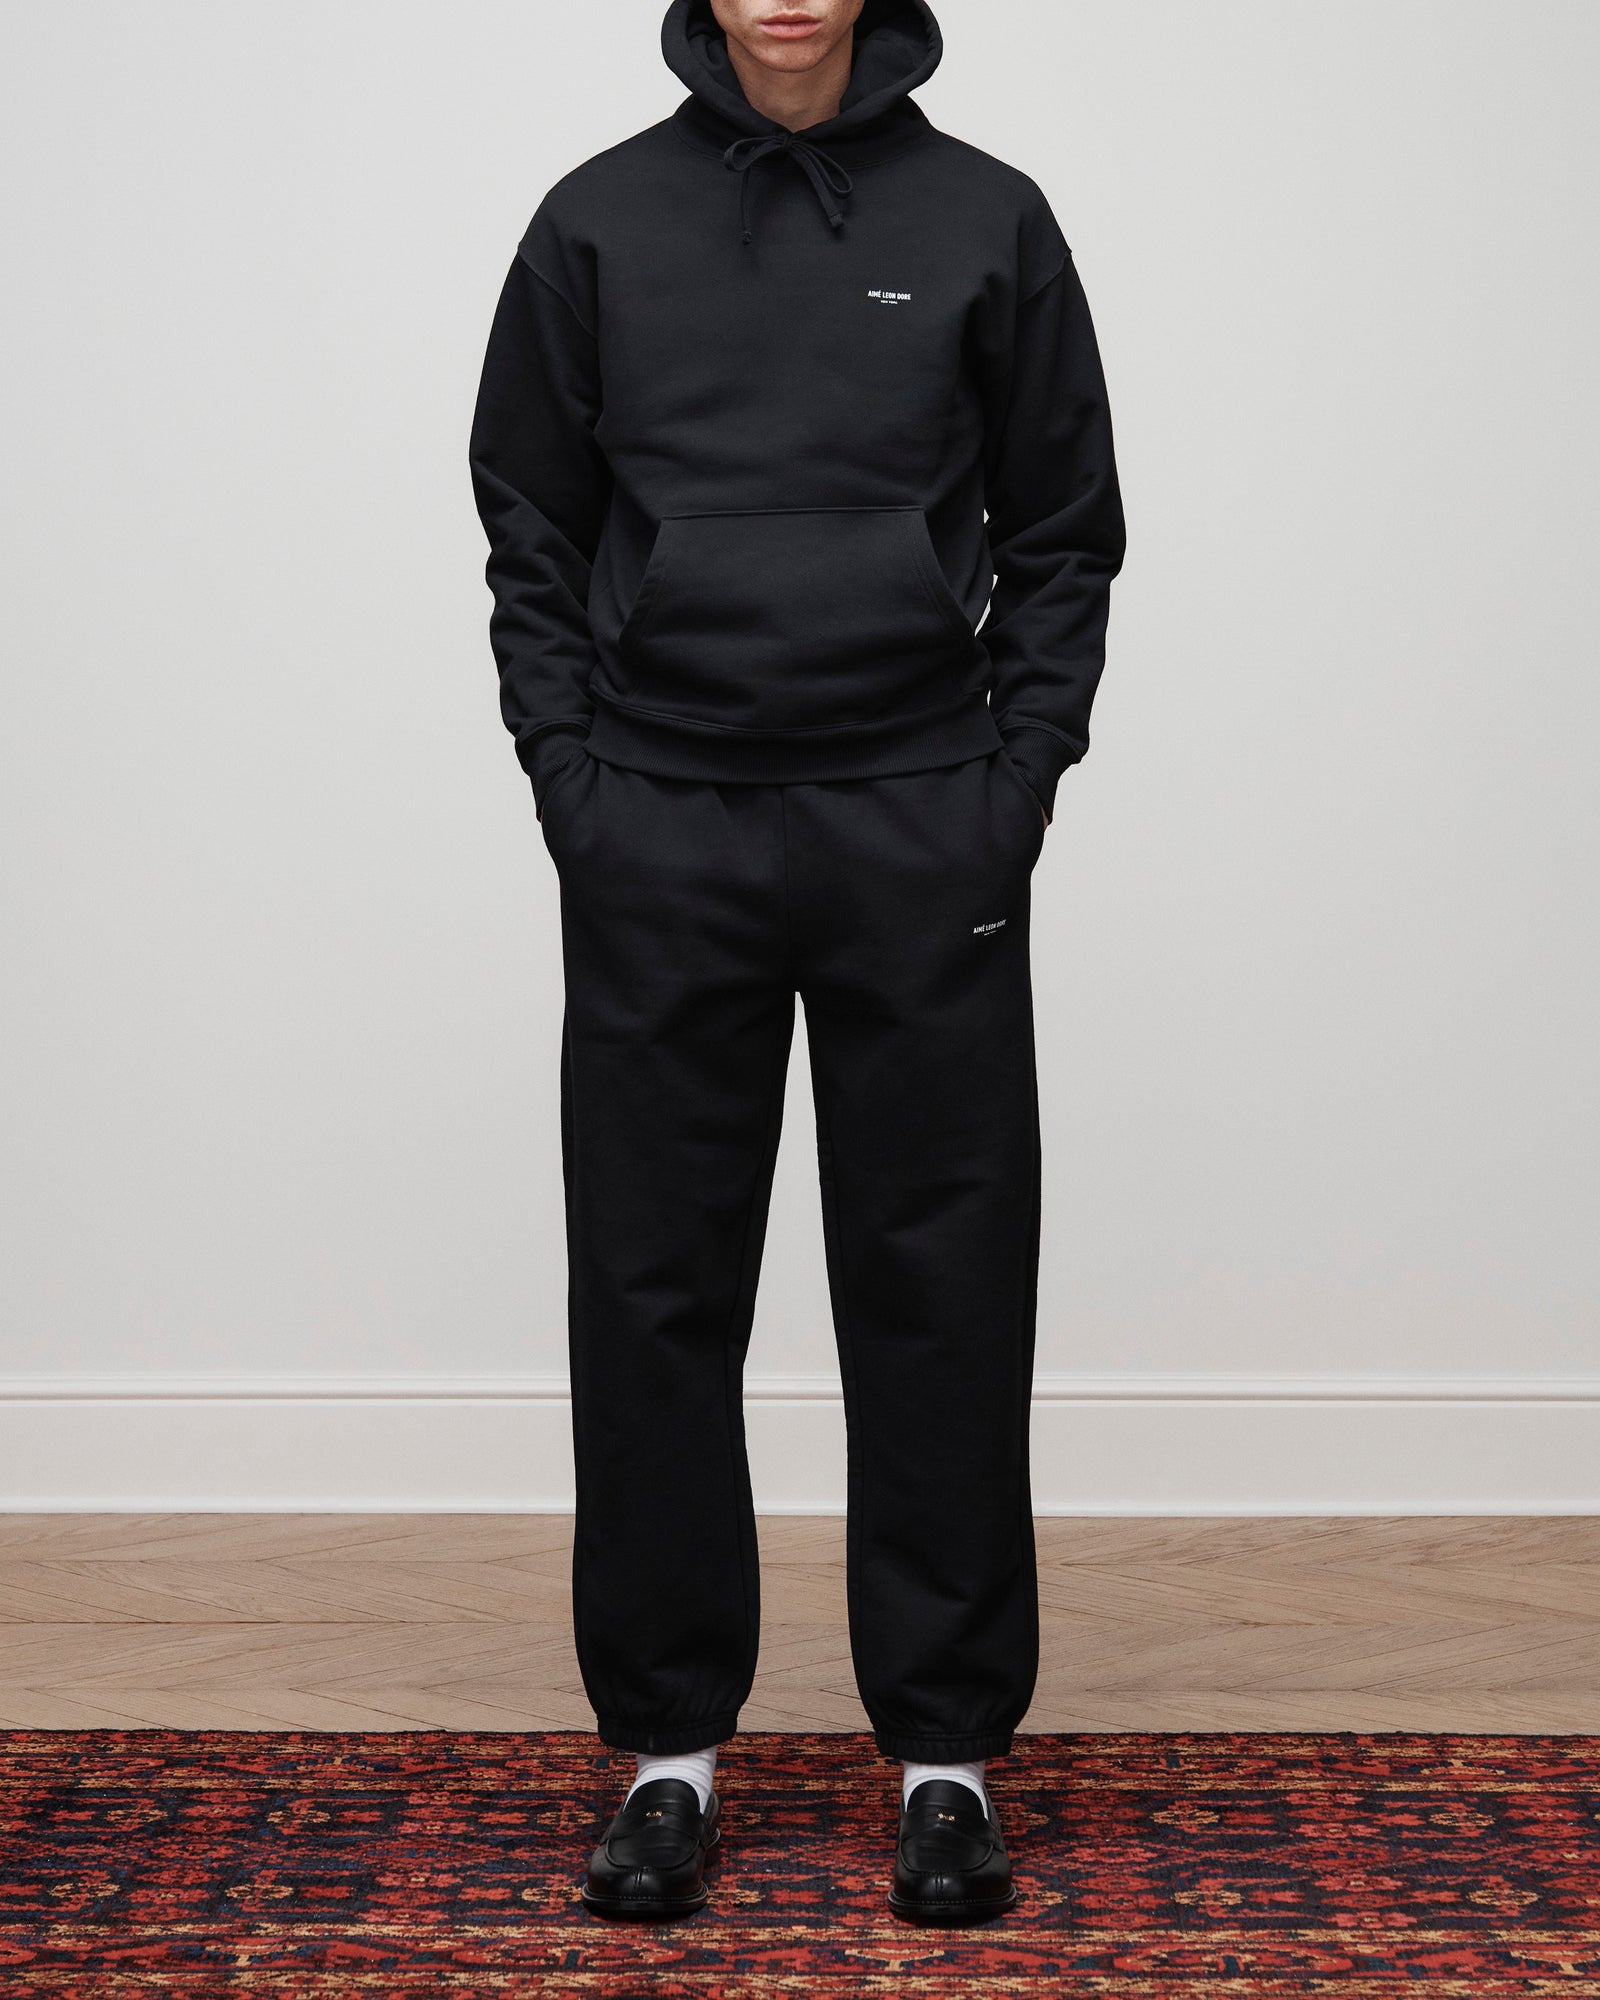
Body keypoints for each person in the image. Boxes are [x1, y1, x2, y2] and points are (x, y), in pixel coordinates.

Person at [469, 0, 1124, 1926]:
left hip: (920, 818)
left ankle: (946, 1762)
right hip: (661, 820)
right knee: (653, 1284)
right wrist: (575, 779)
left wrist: (1011, 783)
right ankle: (668, 1759)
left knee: (941, 1276)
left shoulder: (991, 218)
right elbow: (529, 524)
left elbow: (1066, 530)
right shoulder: (595, 223)